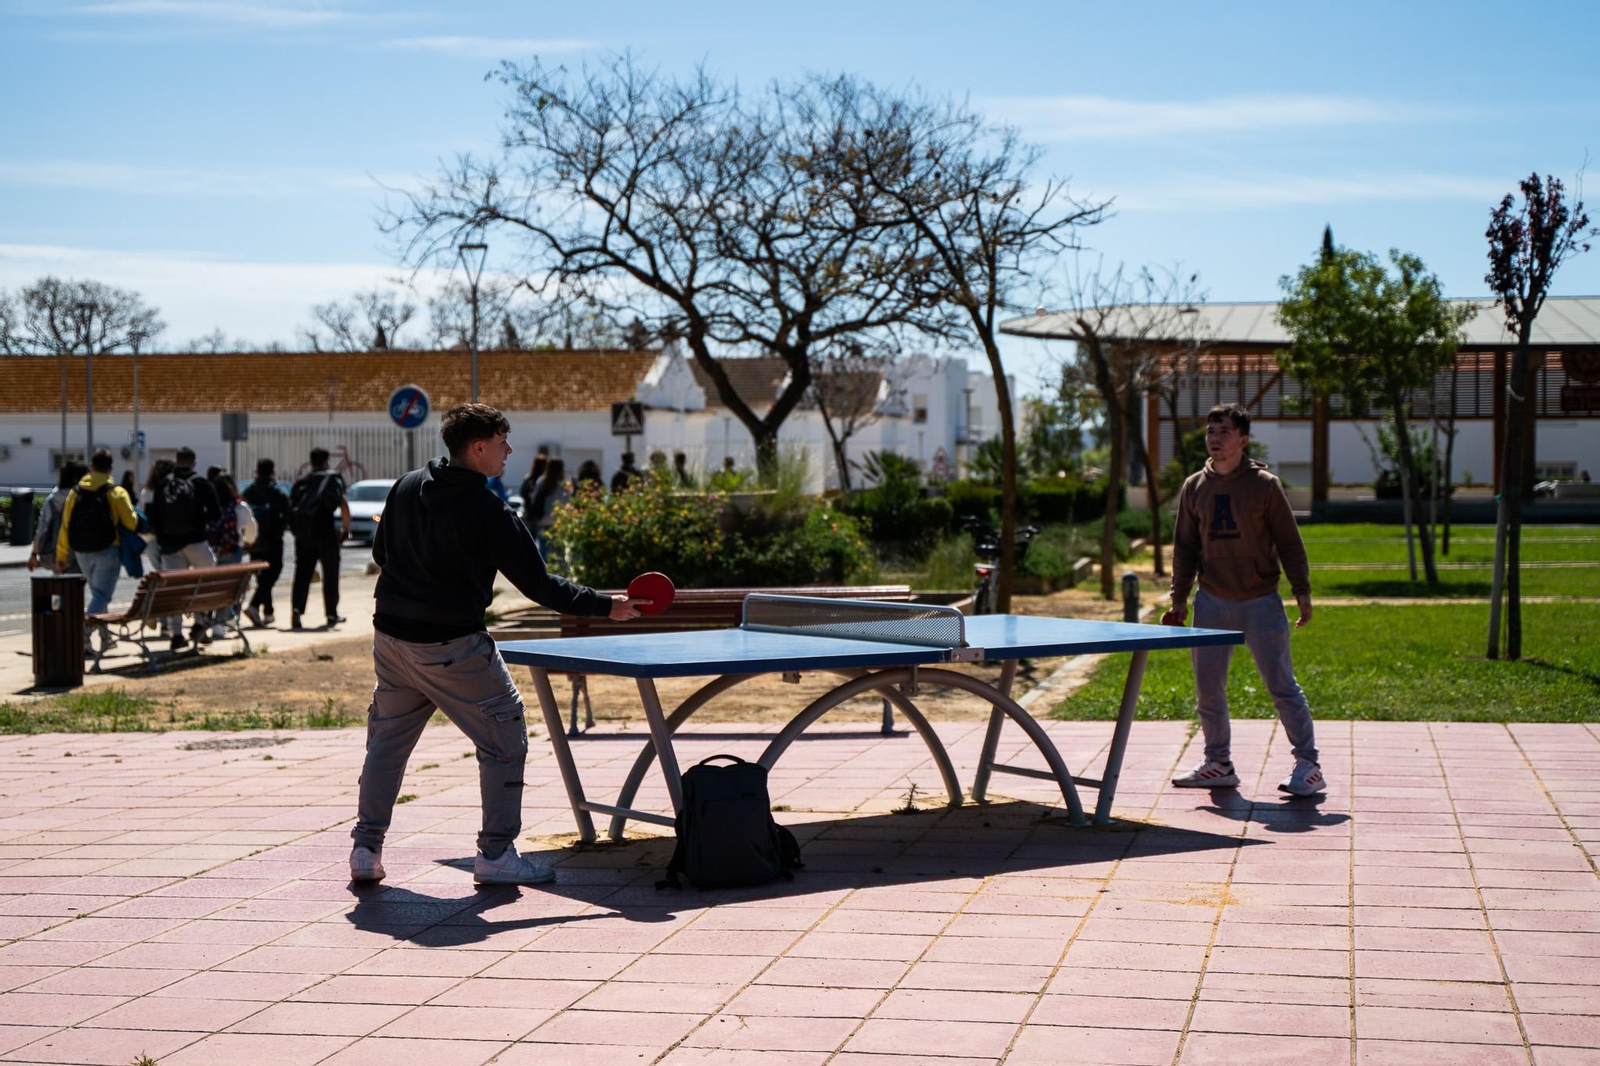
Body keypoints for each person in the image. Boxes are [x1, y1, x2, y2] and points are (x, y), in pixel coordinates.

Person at [351, 402, 646, 886]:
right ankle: (496, 854)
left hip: (391, 641)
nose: (509, 450)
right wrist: (605, 605)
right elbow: (538, 584)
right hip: (452, 645)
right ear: (478, 448)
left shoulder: (404, 486)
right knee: (505, 738)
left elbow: (383, 554)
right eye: (502, 441)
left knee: (387, 743)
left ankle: (365, 849)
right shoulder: (488, 509)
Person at [1163, 403, 1323, 797]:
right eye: (1210, 432)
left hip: (1260, 600)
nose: (1215, 439)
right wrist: (1179, 598)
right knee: (1208, 690)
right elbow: (1185, 547)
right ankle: (1218, 763)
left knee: (1282, 686)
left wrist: (1301, 590)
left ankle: (1309, 766)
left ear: (1243, 439)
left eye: (1224, 432)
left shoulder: (1265, 485)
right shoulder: (1194, 487)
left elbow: (1289, 541)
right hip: (1211, 601)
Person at [55, 449, 139, 654]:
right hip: (107, 550)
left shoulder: (76, 492)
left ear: (91, 467)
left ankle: (105, 637)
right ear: (110, 468)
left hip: (81, 551)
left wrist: (61, 555)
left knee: (98, 594)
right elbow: (131, 523)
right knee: (101, 596)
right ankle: (82, 635)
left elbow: (65, 525)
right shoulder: (116, 492)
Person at [148, 446, 222, 651]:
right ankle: (199, 623)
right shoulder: (200, 483)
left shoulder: (163, 484)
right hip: (196, 542)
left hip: (169, 546)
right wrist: (200, 521)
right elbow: (216, 513)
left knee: (175, 591)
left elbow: (154, 518)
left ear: (176, 461)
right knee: (205, 582)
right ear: (194, 463)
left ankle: (177, 634)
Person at [288, 447, 352, 630]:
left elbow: (291, 509)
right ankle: (331, 613)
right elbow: (343, 504)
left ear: (311, 462)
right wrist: (346, 529)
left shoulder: (301, 482)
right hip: (326, 533)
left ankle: (296, 610)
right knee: (330, 574)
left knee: (302, 574)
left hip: (304, 535)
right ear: (326, 461)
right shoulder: (332, 479)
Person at [206, 471, 255, 638]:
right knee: (227, 587)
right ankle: (221, 622)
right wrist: (248, 541)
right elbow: (251, 531)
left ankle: (207, 619)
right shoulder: (240, 507)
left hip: (210, 551)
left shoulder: (209, 506)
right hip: (232, 551)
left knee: (211, 586)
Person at [242, 458, 290, 628]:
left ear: (256, 471)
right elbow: (288, 515)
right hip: (273, 540)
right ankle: (254, 605)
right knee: (273, 572)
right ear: (273, 472)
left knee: (262, 576)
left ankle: (268, 612)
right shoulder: (277, 492)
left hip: (254, 541)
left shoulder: (248, 492)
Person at [27, 462, 87, 574]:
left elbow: (42, 528)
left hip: (56, 552)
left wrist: (34, 553)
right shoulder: (82, 498)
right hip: (80, 551)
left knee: (61, 582)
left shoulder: (52, 501)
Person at [517, 449, 549, 518]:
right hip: (540, 513)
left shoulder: (529, 478)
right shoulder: (544, 481)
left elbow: (522, 493)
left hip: (530, 511)